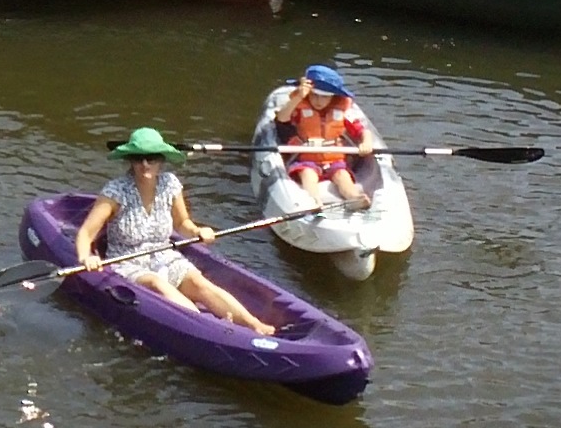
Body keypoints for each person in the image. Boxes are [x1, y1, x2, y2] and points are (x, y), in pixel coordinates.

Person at [74, 127, 275, 335]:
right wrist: (86, 257)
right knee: (156, 283)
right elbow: (85, 234)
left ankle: (253, 324)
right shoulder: (115, 191)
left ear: (161, 160)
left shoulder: (170, 184)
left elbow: (182, 223)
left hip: (164, 254)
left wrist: (197, 231)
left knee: (198, 282)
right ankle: (207, 329)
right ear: (130, 160)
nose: (144, 164)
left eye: (151, 158)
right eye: (138, 158)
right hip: (127, 260)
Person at [271, 64, 374, 204]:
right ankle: (313, 201)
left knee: (343, 176)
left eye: (325, 97)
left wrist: (366, 142)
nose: (319, 101)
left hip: (334, 160)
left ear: (334, 97)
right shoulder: (299, 107)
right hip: (306, 159)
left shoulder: (342, 110)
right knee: (308, 175)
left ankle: (354, 198)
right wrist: (299, 97)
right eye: (314, 95)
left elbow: (362, 129)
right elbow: (282, 118)